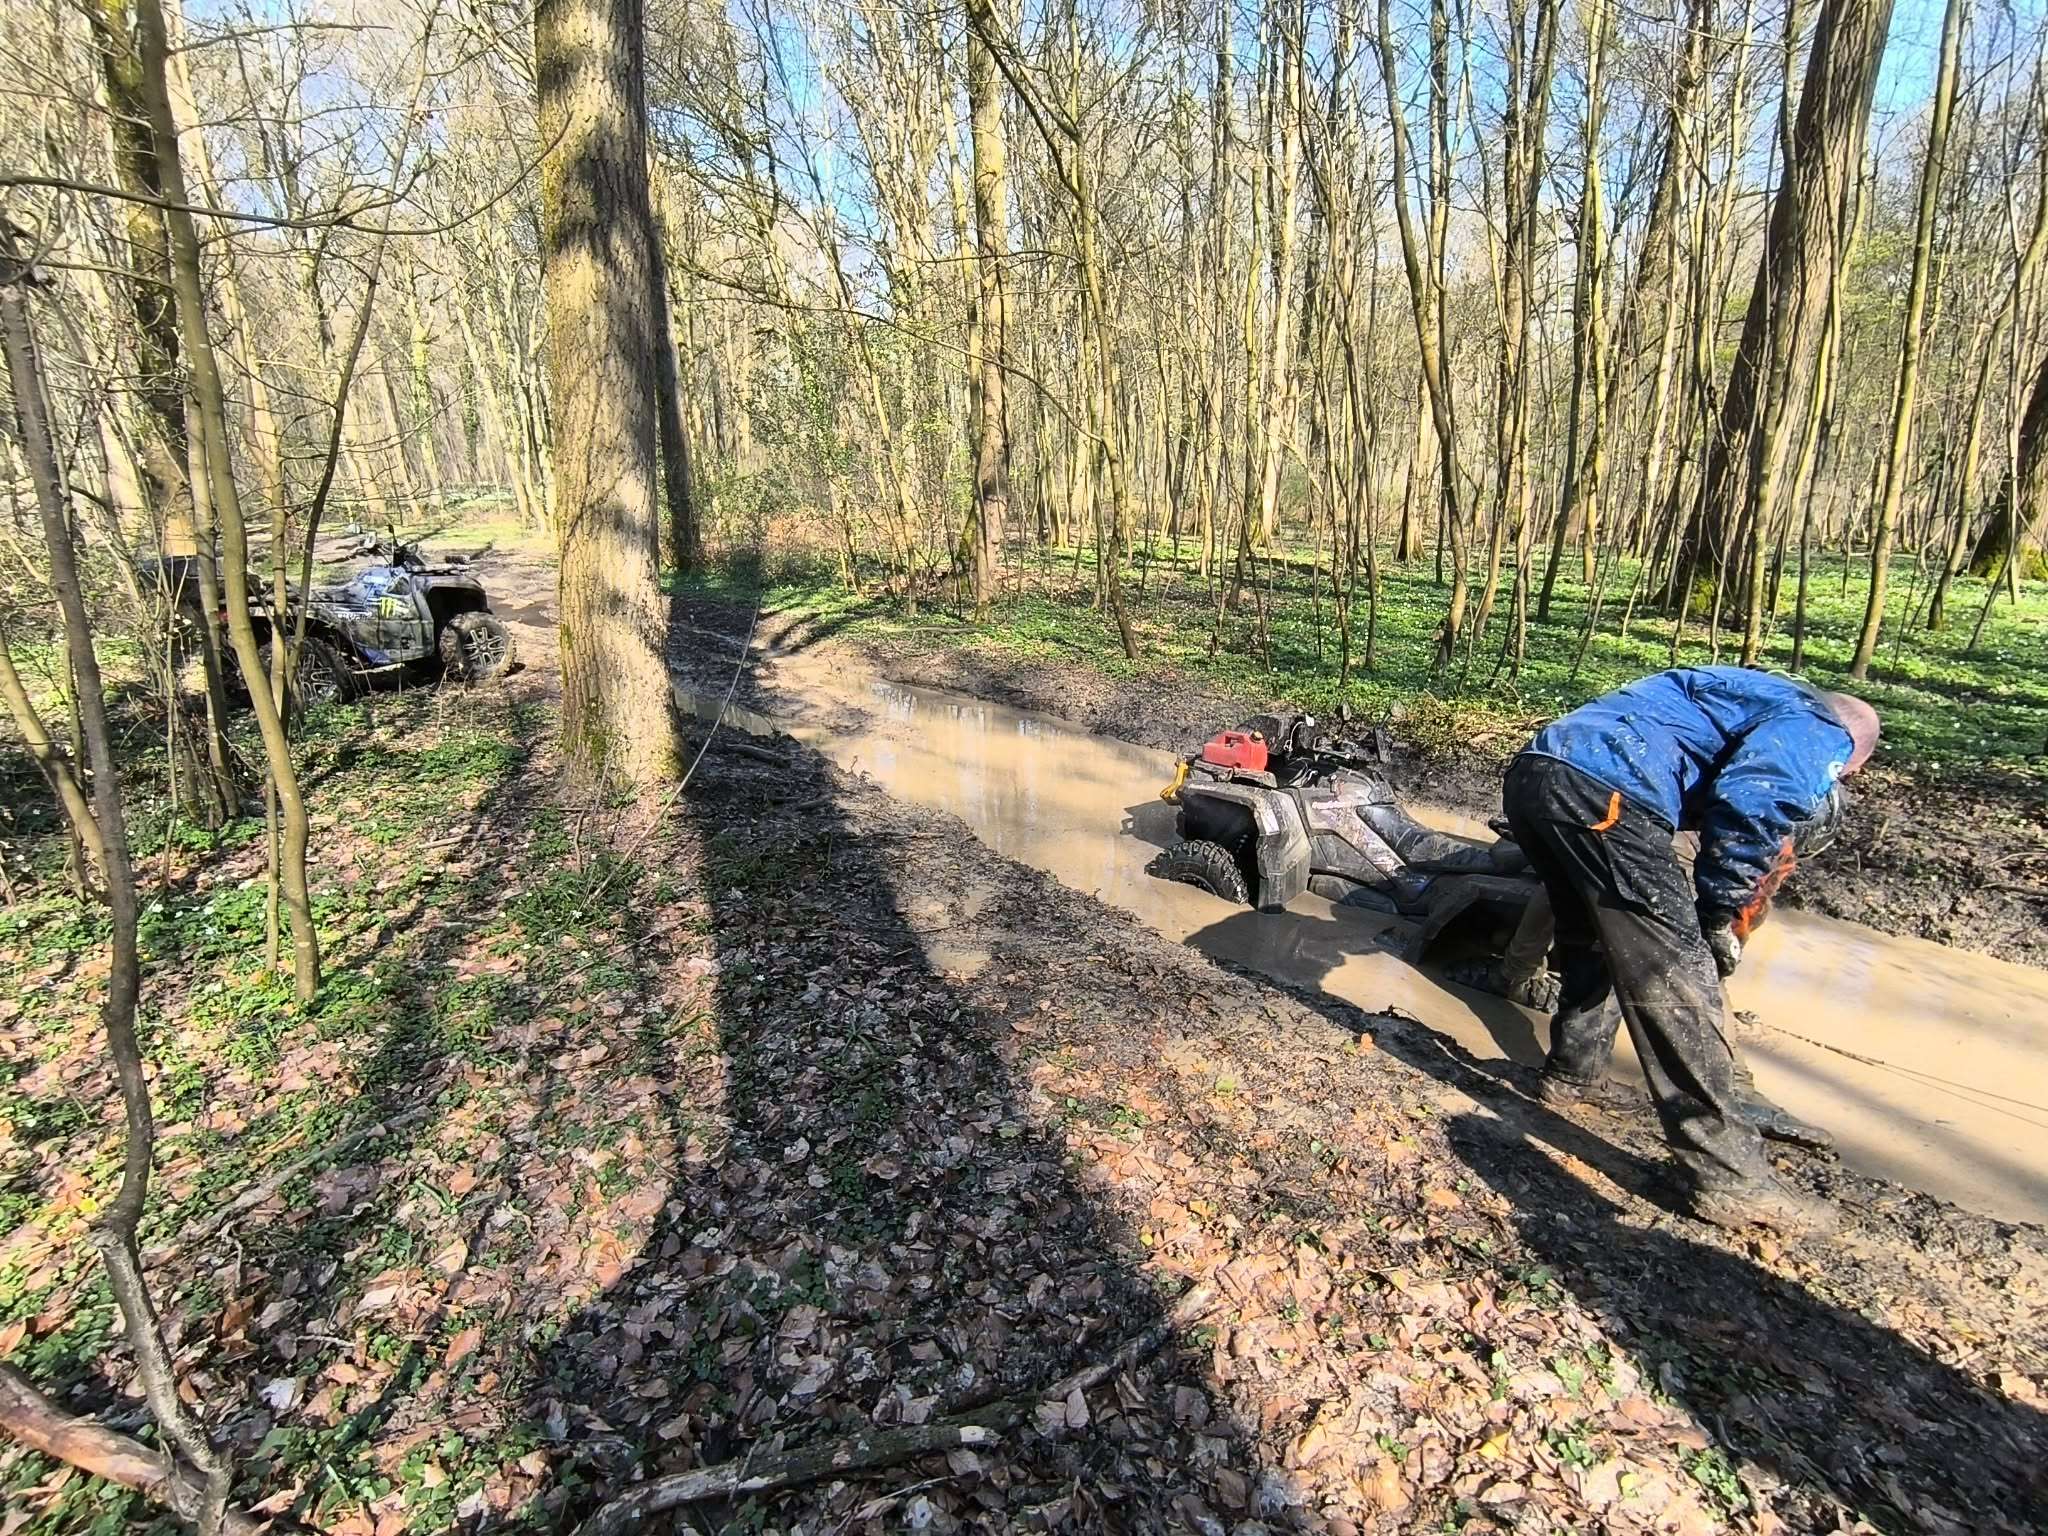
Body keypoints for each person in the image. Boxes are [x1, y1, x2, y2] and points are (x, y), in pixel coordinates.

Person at [1501, 667, 1880, 1238]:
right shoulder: (1825, 727)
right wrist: (1719, 909)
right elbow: (1757, 798)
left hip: (1542, 769)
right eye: (1844, 773)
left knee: (1595, 939)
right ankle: (1730, 1176)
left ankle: (1575, 1077)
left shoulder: (1744, 690)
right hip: (1608, 789)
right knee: (1677, 975)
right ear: (1852, 757)